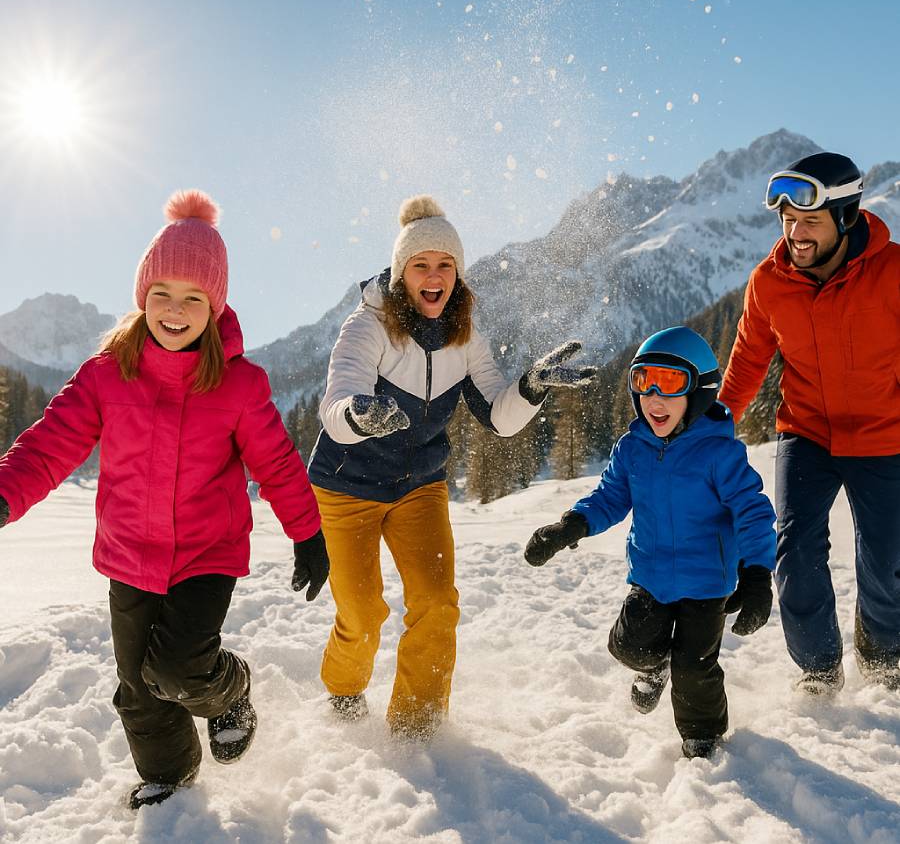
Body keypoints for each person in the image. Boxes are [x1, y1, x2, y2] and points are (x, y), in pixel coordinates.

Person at [0, 190, 326, 809]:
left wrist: (307, 533)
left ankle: (229, 691)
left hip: (206, 552)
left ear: (215, 305)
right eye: (161, 295)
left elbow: (278, 464)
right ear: (142, 297)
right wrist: (4, 494)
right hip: (129, 555)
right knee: (138, 688)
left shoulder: (238, 384)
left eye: (192, 298)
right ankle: (172, 779)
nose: (174, 311)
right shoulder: (106, 374)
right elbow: (50, 444)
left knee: (177, 669)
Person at [307, 194, 595, 740]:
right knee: (364, 614)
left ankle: (417, 728)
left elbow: (498, 417)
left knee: (437, 604)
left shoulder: (466, 337)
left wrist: (530, 386)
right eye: (420, 265)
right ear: (400, 274)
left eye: (445, 265)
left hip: (419, 487)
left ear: (458, 275)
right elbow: (334, 406)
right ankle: (344, 690)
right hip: (347, 487)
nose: (433, 276)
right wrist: (359, 417)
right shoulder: (367, 328)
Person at [524, 326, 776, 759]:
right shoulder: (632, 449)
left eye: (671, 383)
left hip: (706, 583)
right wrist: (571, 526)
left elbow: (752, 511)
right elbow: (610, 498)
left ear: (699, 392)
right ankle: (651, 667)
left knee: (695, 669)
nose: (654, 397)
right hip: (651, 576)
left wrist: (756, 575)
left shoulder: (720, 454)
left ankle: (703, 737)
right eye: (643, 382)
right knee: (629, 646)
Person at [720, 151, 900, 695]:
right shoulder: (769, 282)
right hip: (806, 433)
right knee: (794, 554)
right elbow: (748, 360)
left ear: (845, 218)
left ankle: (884, 653)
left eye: (810, 221)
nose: (796, 233)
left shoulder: (892, 274)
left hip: (884, 435)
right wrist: (713, 429)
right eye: (788, 220)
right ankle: (819, 670)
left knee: (887, 562)